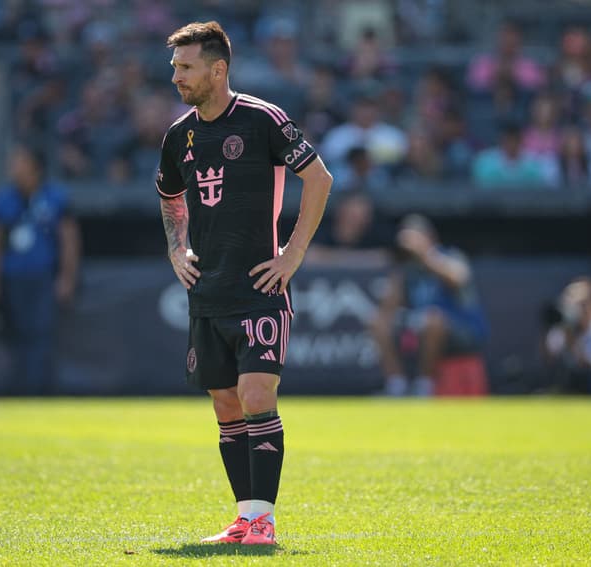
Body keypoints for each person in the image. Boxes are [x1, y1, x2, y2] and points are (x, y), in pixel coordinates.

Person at [157, 21, 332, 545]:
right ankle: (246, 518)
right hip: (207, 291)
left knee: (257, 394)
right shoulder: (177, 135)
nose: (176, 78)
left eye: (185, 68)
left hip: (260, 285)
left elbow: (319, 178)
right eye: (174, 67)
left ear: (218, 68)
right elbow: (169, 195)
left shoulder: (262, 120)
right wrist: (175, 246)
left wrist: (293, 253)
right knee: (225, 405)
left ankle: (265, 523)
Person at [0, 143, 81, 395]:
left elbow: (69, 238)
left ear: (35, 167)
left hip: (43, 277)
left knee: (41, 334)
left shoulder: (54, 196)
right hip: (12, 277)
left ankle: (39, 391)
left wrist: (67, 277)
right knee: (14, 335)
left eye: (19, 161)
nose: (13, 167)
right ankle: (14, 391)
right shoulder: (4, 198)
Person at [370, 215, 488, 396]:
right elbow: (389, 308)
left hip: (461, 330)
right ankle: (397, 384)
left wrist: (424, 254)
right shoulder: (407, 269)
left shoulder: (450, 255)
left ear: (429, 237)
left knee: (433, 319)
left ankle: (424, 386)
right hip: (419, 326)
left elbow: (459, 278)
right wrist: (398, 269)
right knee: (377, 322)